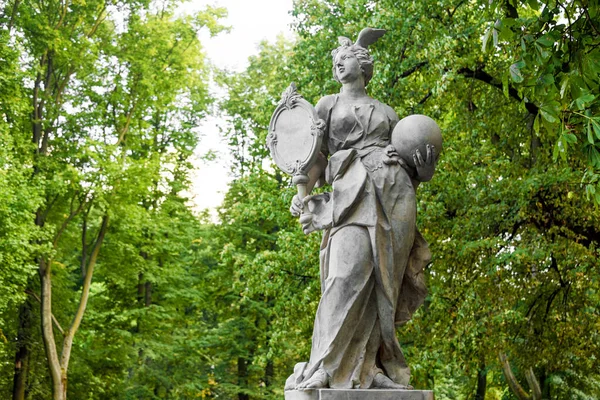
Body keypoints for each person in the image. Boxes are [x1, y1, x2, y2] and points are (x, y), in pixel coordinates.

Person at [285, 28, 437, 391]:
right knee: (342, 276)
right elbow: (313, 157)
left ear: (365, 66)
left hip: (393, 193)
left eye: (347, 57)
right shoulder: (326, 106)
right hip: (349, 195)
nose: (338, 62)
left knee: (383, 284)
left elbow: (407, 159)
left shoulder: (386, 111)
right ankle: (325, 365)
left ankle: (371, 369)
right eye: (336, 60)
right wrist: (303, 191)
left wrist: (424, 172)